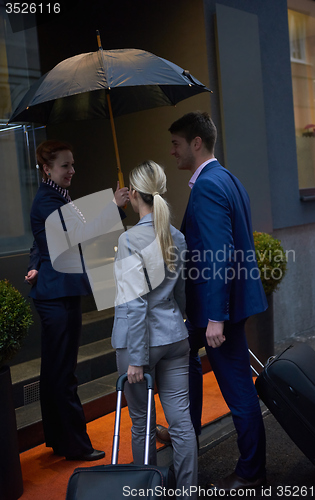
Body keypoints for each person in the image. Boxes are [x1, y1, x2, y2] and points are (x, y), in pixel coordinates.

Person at [157, 111, 267, 492]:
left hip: (216, 311)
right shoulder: (228, 179)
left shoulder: (206, 186)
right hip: (216, 307)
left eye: (176, 143)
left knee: (237, 389)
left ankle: (251, 471)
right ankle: (186, 431)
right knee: (184, 363)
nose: (172, 151)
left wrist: (216, 318)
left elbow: (219, 253)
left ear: (196, 143)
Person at [25, 139, 129, 461]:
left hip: (58, 292)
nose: (72, 170)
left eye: (72, 164)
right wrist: (112, 205)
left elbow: (42, 243)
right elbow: (77, 235)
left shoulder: (55, 197)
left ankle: (59, 440)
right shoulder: (48, 200)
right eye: (65, 166)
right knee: (63, 374)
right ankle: (75, 446)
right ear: (47, 169)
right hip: (57, 296)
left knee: (57, 372)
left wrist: (34, 264)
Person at [111, 160, 198, 496]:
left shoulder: (130, 239)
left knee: (142, 425)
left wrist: (135, 357)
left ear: (133, 194)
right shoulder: (176, 235)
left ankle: (147, 492)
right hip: (175, 335)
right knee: (181, 423)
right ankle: (187, 492)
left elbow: (134, 304)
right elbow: (180, 294)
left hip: (139, 344)